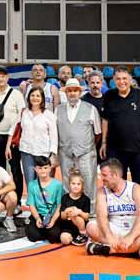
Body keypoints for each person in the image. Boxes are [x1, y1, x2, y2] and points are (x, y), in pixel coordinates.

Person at [85, 159, 140, 261]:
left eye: (104, 175)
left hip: (134, 227)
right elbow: (101, 216)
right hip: (115, 227)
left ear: (115, 175)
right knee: (90, 227)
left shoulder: (136, 189)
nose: (101, 178)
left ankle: (105, 250)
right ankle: (134, 251)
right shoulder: (101, 192)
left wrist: (130, 237)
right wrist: (109, 237)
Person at [99, 67, 140, 189]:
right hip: (115, 150)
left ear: (130, 79)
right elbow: (105, 120)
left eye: (124, 78)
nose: (121, 82)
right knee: (115, 185)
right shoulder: (109, 95)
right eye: (118, 79)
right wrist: (103, 142)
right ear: (114, 80)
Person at [56, 78, 100, 210]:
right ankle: (68, 211)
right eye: (69, 91)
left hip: (86, 153)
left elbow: (97, 133)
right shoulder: (58, 109)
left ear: (79, 92)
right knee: (67, 182)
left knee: (89, 182)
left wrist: (86, 146)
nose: (72, 93)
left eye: (75, 90)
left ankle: (90, 211)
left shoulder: (90, 109)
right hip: (65, 152)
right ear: (66, 93)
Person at [0, 66, 26, 203]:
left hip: (12, 137)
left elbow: (20, 117)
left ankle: (17, 200)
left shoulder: (16, 94)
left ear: (7, 78)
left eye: (3, 76)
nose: (0, 78)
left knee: (15, 168)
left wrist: (10, 140)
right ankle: (1, 199)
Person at [13, 86, 58, 189]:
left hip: (43, 152)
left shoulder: (49, 115)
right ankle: (32, 200)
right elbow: (15, 128)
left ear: (42, 98)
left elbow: (54, 136)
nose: (35, 98)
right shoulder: (24, 112)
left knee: (43, 183)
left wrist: (52, 154)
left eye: (38, 96)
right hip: (26, 151)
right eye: (32, 95)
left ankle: (43, 200)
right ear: (28, 97)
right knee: (30, 182)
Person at [24, 155, 65, 243]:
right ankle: (38, 229)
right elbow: (31, 205)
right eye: (40, 168)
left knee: (54, 237)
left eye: (45, 168)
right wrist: (37, 218)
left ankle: (46, 231)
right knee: (32, 236)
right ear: (35, 169)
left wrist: (53, 220)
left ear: (50, 168)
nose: (43, 171)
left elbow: (59, 205)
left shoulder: (58, 185)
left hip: (52, 215)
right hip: (39, 215)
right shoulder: (32, 185)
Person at [58, 170, 91, 246]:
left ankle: (83, 234)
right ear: (69, 184)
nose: (76, 186)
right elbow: (62, 216)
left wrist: (79, 212)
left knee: (75, 215)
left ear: (82, 186)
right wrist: (67, 211)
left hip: (80, 225)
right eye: (73, 183)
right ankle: (74, 237)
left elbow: (86, 217)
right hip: (68, 226)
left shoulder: (86, 199)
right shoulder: (64, 198)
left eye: (78, 184)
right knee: (64, 240)